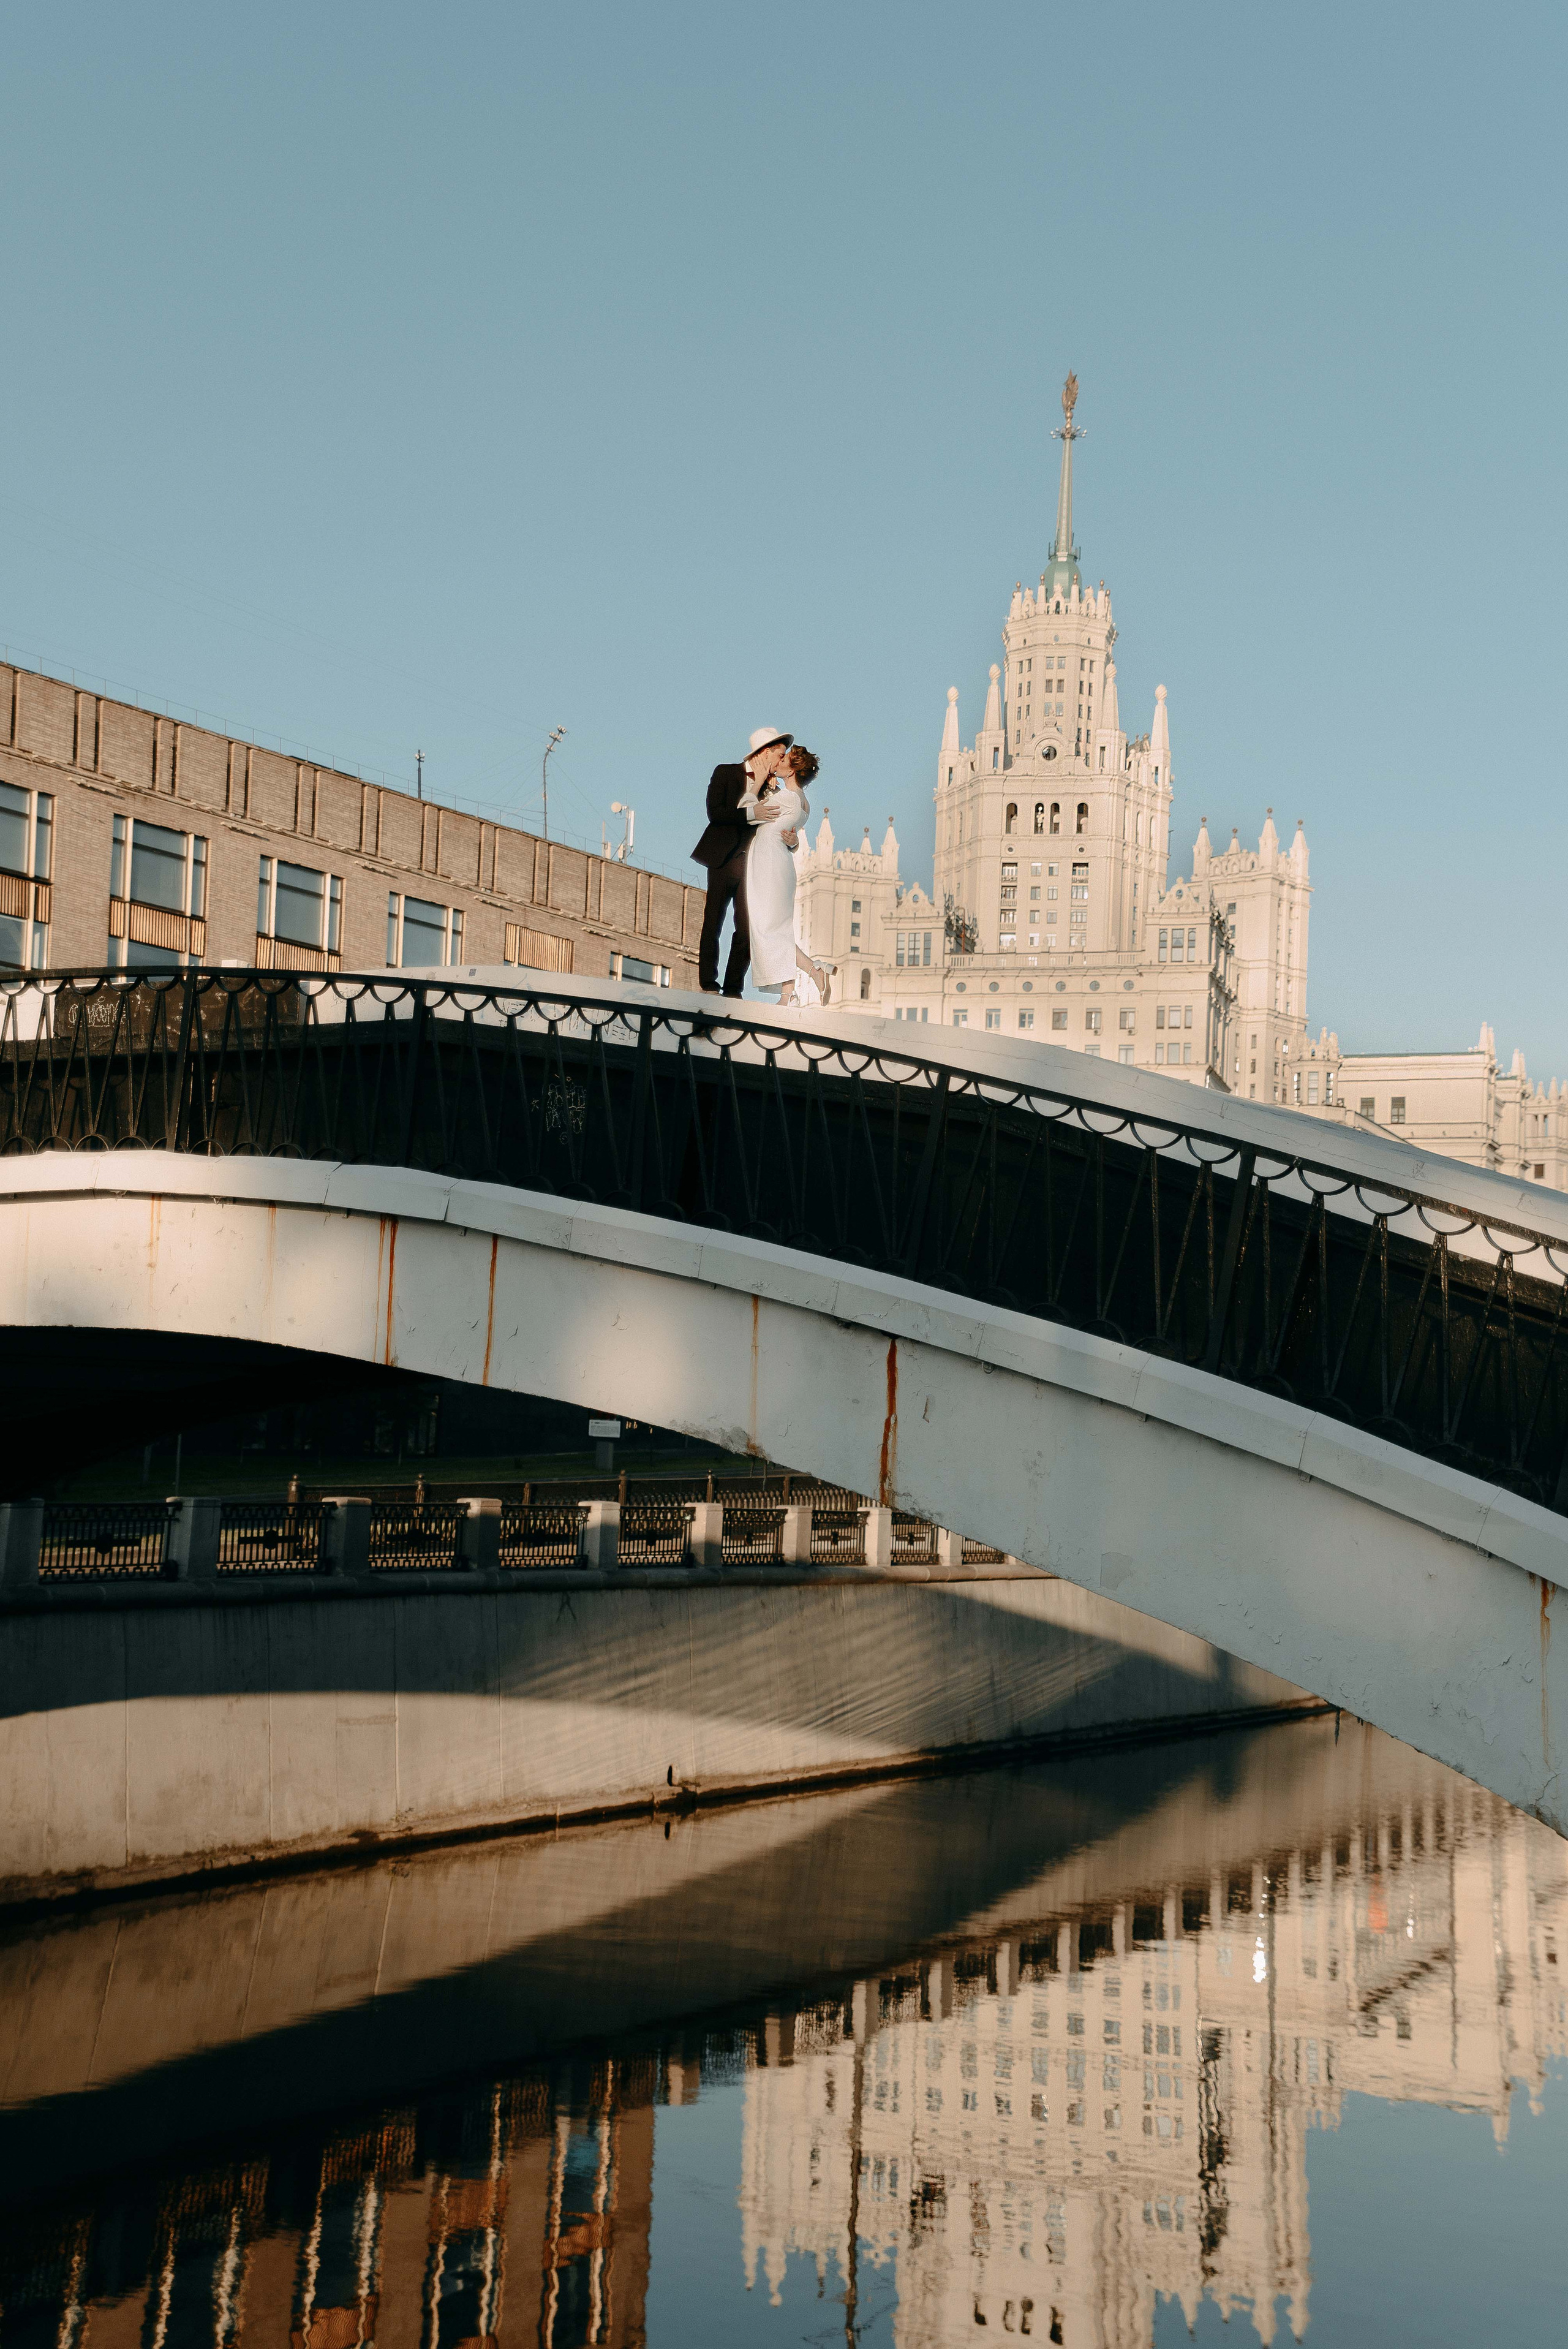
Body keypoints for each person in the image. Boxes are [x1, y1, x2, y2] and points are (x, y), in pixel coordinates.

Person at [692, 725, 793, 996]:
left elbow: (778, 829)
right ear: (766, 752)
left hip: (755, 868)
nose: (783, 761)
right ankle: (708, 985)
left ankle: (734, 989)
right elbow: (716, 813)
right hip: (724, 861)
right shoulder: (726, 772)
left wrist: (792, 843)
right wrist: (752, 812)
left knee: (748, 928)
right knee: (713, 921)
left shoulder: (775, 789)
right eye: (780, 755)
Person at [742, 745, 832, 1006]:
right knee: (776, 929)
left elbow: (747, 814)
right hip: (780, 862)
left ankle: (794, 988)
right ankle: (807, 978)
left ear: (792, 769)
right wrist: (793, 843)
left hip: (769, 863)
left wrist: (757, 782)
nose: (779, 761)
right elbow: (788, 833)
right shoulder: (803, 802)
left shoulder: (788, 798)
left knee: (767, 927)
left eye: (785, 759)